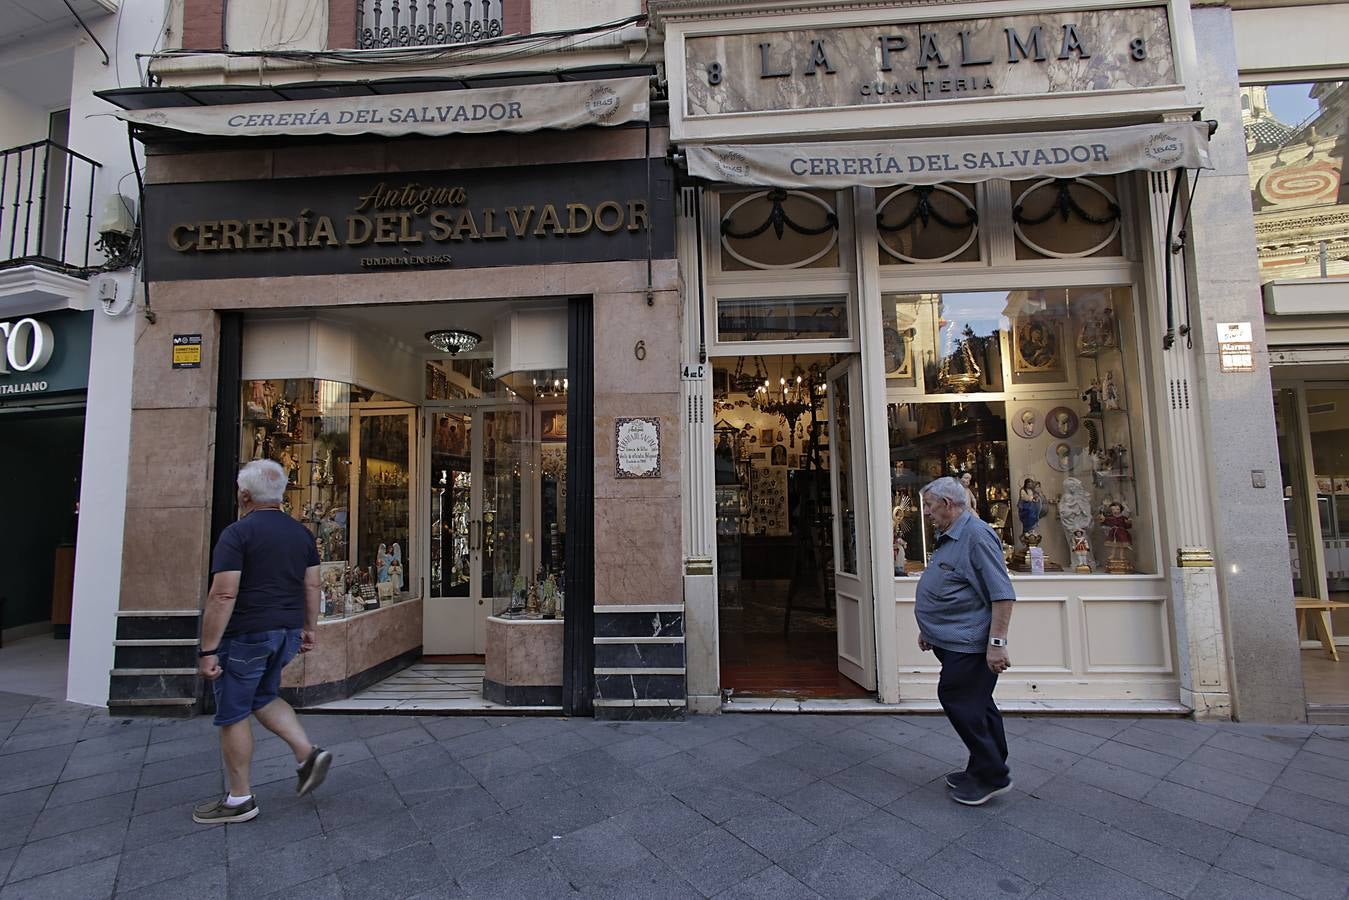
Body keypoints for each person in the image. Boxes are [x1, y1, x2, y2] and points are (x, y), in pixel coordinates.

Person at [194, 460, 333, 824]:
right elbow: (313, 584)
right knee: (263, 696)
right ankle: (307, 754)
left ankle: (239, 798)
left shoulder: (237, 534)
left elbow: (223, 595)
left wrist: (208, 648)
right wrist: (309, 628)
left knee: (234, 711)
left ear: (244, 495)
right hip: (285, 633)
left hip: (246, 635)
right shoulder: (301, 534)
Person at [916, 476, 1016, 805]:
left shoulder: (977, 535)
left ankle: (992, 776)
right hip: (953, 640)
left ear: (947, 504)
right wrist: (931, 628)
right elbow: (951, 586)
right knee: (979, 705)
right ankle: (983, 768)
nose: (927, 512)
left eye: (930, 506)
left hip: (971, 645)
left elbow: (1002, 594)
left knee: (959, 699)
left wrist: (997, 644)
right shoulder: (951, 534)